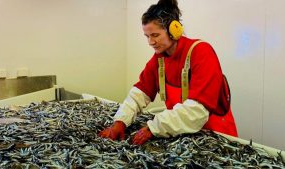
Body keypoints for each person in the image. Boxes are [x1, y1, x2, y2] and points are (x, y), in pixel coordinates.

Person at [99, 0, 238, 145]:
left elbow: (197, 112)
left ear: (174, 30)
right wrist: (120, 122)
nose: (150, 42)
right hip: (181, 134)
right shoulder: (160, 59)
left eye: (155, 35)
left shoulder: (201, 52)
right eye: (147, 36)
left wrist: (153, 128)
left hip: (215, 135)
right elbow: (140, 93)